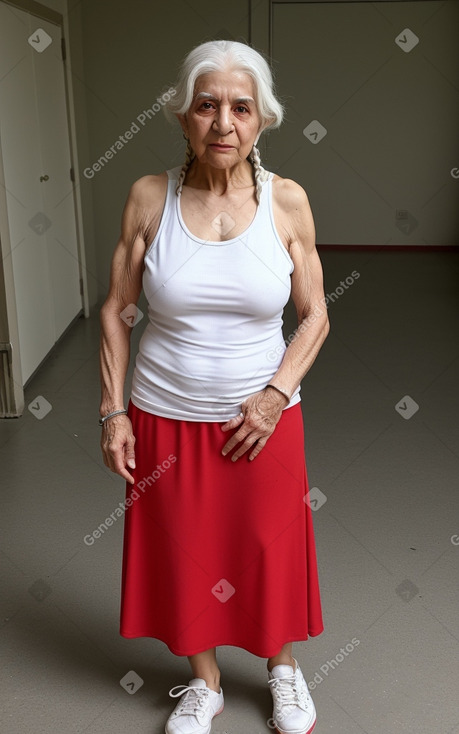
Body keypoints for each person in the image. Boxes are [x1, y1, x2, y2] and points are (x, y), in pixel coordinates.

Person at [99, 39, 329, 734]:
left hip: (262, 418)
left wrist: (273, 394)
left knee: (268, 549)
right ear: (182, 117)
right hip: (165, 414)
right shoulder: (148, 196)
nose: (222, 122)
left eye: (239, 107)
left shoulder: (286, 202)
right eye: (207, 106)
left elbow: (315, 314)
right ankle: (203, 684)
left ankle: (282, 671)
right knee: (184, 551)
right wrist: (113, 412)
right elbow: (117, 308)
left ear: (262, 120)